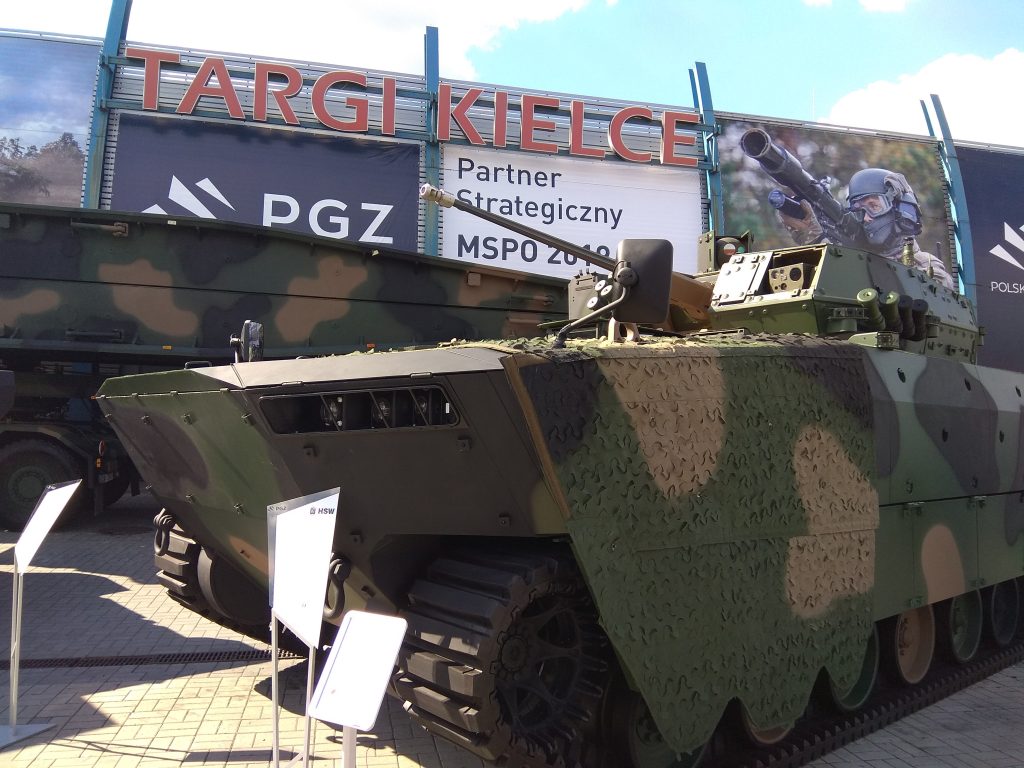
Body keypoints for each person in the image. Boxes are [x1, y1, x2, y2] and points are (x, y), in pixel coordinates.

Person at [779, 167, 955, 290]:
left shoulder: (926, 265)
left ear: (900, 209)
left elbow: (897, 298)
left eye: (873, 206)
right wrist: (812, 237)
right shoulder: (853, 258)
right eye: (858, 210)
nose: (866, 217)